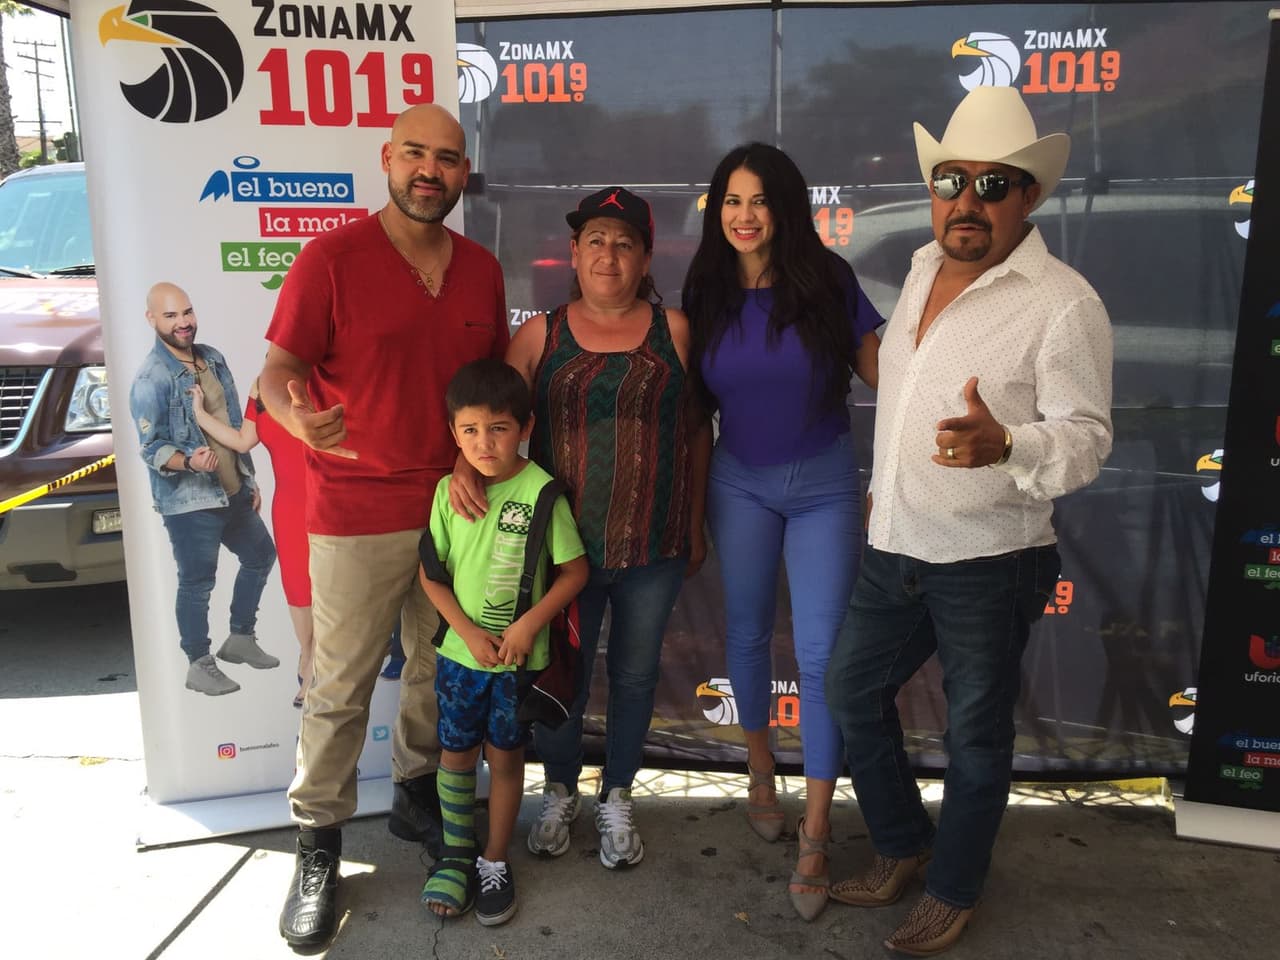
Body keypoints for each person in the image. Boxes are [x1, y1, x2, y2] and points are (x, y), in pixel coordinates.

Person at [825, 86, 1113, 956]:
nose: (969, 200)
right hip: (895, 543)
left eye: (995, 184)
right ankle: (907, 845)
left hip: (990, 557)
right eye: (953, 179)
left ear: (1030, 196)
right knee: (850, 693)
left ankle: (952, 887)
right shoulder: (918, 266)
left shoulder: (1063, 302)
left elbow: (1089, 439)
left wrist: (1010, 446)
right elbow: (906, 390)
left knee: (977, 736)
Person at [263, 103, 508, 947]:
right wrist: (296, 422)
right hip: (355, 510)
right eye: (415, 154)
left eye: (446, 158)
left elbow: (487, 390)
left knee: (438, 678)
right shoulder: (331, 258)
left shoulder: (482, 268)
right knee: (339, 686)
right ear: (387, 159)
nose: (429, 171)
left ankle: (418, 799)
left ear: (463, 173)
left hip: (454, 511)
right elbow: (277, 371)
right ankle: (318, 848)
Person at [453, 185, 709, 870]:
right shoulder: (542, 335)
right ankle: (560, 790)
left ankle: (617, 793)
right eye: (596, 239)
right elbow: (491, 419)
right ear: (573, 251)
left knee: (632, 678)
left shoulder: (675, 331)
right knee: (558, 678)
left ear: (646, 257)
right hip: (560, 557)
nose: (608, 253)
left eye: (624, 242)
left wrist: (694, 521)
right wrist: (461, 466)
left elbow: (694, 433)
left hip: (652, 546)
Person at [680, 143, 881, 921]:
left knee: (827, 653)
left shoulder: (827, 279)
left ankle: (819, 827)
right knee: (746, 635)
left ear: (785, 207)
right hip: (739, 485)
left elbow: (886, 376)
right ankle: (760, 771)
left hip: (825, 486)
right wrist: (692, 503)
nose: (743, 215)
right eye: (730, 200)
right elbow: (695, 412)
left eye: (758, 200)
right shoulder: (705, 288)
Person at [418, 359, 587, 925]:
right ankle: (456, 854)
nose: (484, 443)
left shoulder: (543, 493)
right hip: (459, 660)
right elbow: (431, 575)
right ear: (453, 434)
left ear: (525, 427)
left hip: (518, 663)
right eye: (469, 430)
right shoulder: (448, 491)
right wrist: (465, 632)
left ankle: (494, 859)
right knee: (456, 752)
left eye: (498, 428)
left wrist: (528, 624)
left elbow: (574, 571)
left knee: (506, 757)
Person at [128, 282, 279, 697]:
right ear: (152, 320)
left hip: (231, 490)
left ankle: (240, 638)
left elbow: (233, 424)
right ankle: (198, 662)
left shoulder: (212, 358)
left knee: (261, 556)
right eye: (172, 316)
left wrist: (248, 478)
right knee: (197, 582)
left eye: (187, 313)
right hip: (190, 501)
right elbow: (151, 447)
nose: (184, 322)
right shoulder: (151, 378)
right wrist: (188, 461)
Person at [190, 378, 314, 708]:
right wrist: (200, 414)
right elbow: (244, 441)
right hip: (290, 506)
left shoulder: (328, 377)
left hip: (333, 499)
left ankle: (319, 666)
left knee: (333, 588)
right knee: (299, 589)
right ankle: (309, 659)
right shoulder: (262, 387)